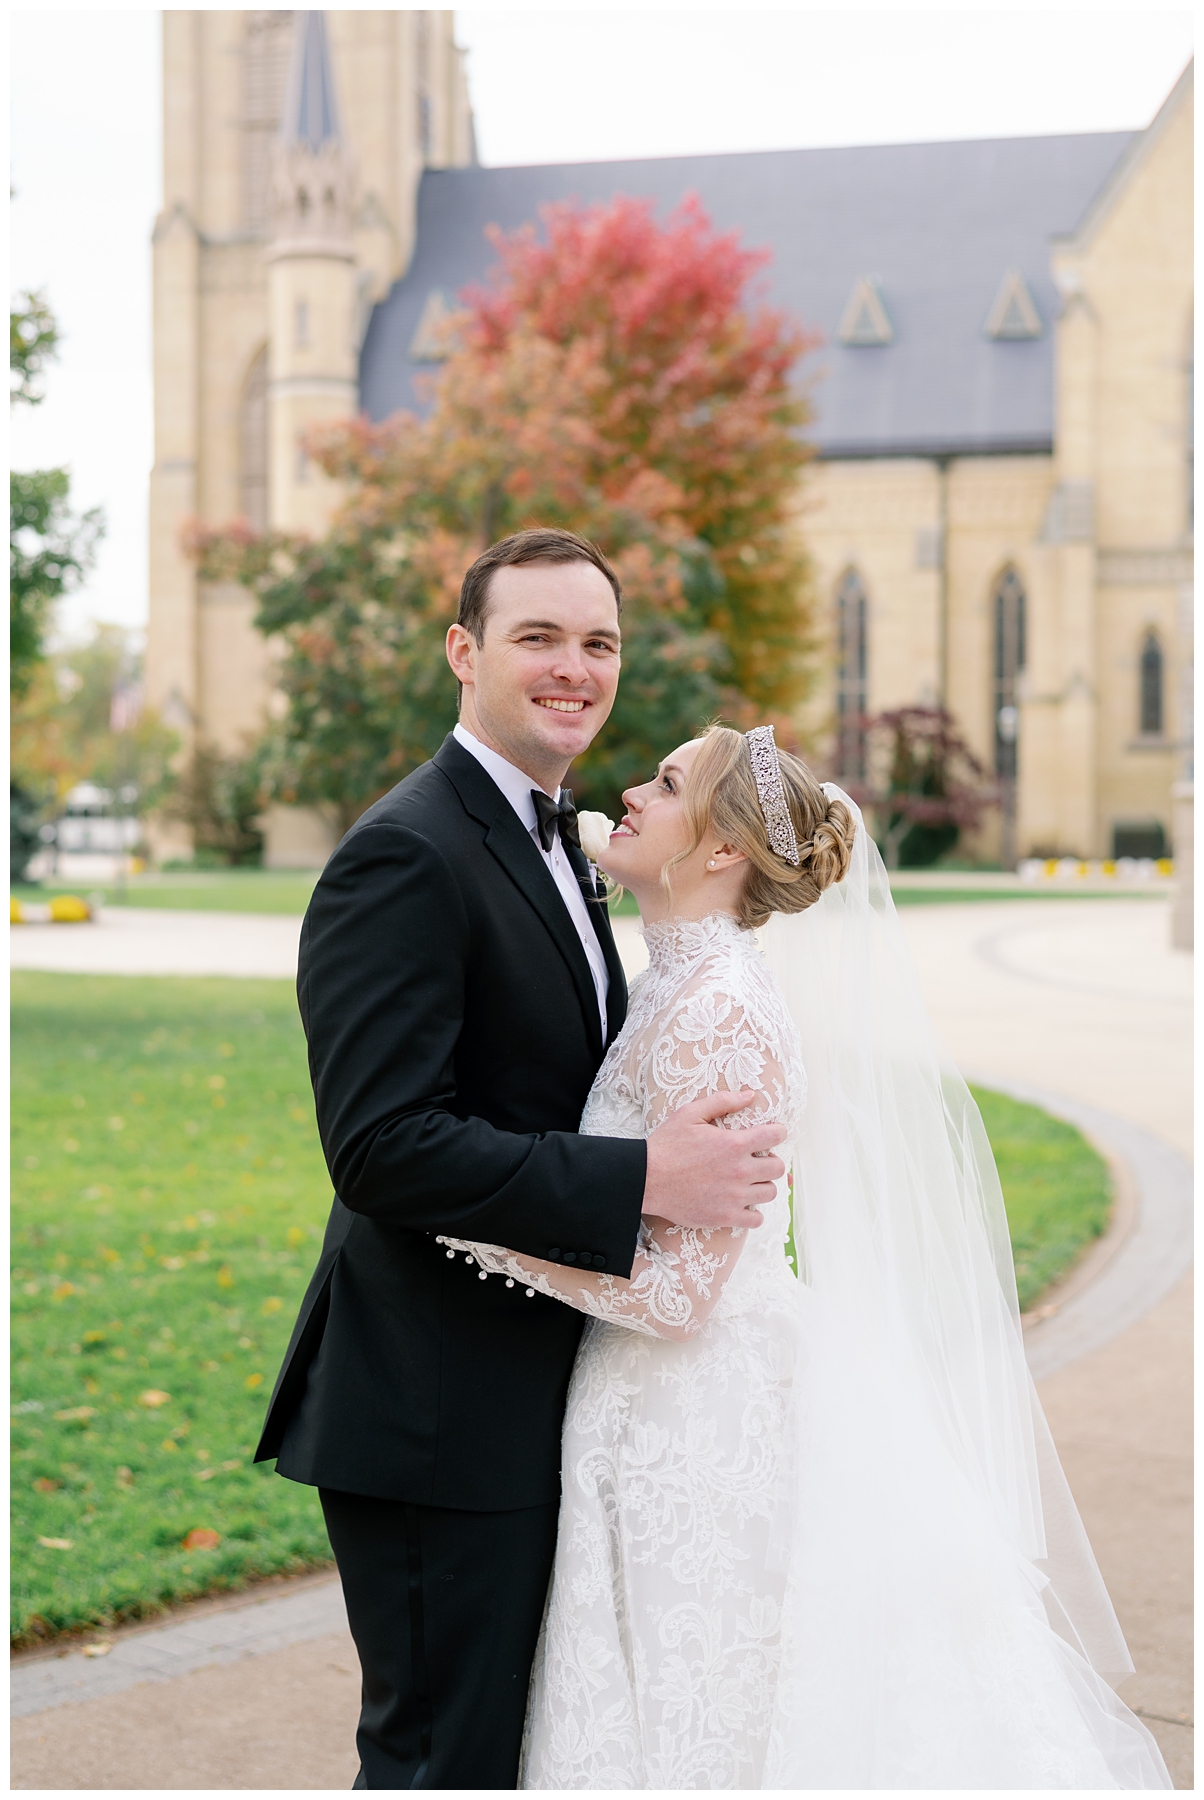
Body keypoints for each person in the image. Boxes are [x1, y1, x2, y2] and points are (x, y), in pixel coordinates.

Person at [446, 724, 1172, 1789]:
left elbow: (685, 1295)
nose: (631, 793)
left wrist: (479, 1230)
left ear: (723, 851)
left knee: (710, 1716)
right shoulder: (672, 985)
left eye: (666, 782)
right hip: (653, 1408)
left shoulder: (718, 1010)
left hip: (696, 1419)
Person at [254, 529, 787, 1790]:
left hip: (541, 1398)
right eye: (536, 637)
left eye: (595, 642)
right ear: (464, 651)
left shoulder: (566, 849)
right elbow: (381, 1146)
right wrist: (641, 1182)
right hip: (437, 1408)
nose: (573, 668)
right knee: (446, 1761)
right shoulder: (407, 851)